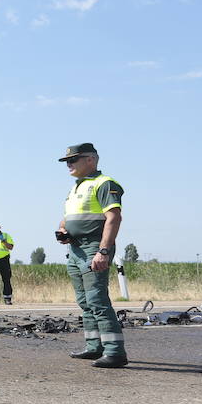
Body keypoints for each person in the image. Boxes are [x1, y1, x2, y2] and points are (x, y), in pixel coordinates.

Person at [55, 143, 127, 368]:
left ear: (91, 159)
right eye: (67, 161)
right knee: (85, 301)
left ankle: (115, 352)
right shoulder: (76, 187)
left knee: (97, 300)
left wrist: (103, 251)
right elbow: (67, 218)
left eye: (73, 160)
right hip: (75, 249)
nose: (69, 164)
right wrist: (63, 231)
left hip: (93, 247)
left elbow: (113, 218)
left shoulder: (104, 184)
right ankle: (94, 346)